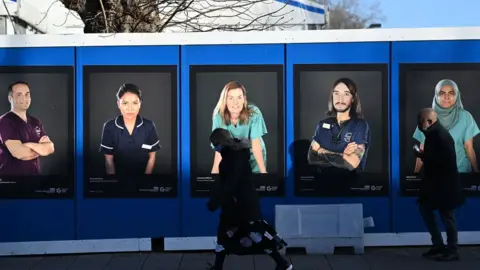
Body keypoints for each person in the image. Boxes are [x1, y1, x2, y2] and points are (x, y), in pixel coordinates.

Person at [206, 128, 292, 270]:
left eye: (215, 144)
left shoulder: (233, 157)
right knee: (227, 235)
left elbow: (231, 182)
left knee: (255, 235)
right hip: (237, 204)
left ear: (220, 142)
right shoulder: (233, 155)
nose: (215, 147)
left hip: (241, 205)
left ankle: (283, 264)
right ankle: (218, 267)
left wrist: (216, 201)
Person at [413, 108, 465, 261]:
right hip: (437, 184)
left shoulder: (439, 135)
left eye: (420, 121)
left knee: (447, 216)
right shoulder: (434, 134)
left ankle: (452, 249)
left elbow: (444, 160)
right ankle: (438, 245)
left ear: (428, 121)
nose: (418, 125)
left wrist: (422, 155)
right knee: (425, 209)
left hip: (445, 185)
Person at [307, 78, 370, 183]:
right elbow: (312, 158)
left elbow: (351, 164)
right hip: (322, 188)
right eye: (336, 93)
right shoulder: (323, 124)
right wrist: (343, 155)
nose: (340, 98)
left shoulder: (360, 125)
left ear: (353, 99)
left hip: (350, 188)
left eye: (346, 94)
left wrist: (321, 151)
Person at [413, 79, 479, 173]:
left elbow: (468, 147)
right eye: (442, 93)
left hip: (461, 173)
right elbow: (423, 149)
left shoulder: (465, 116)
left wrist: (476, 172)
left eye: (451, 93)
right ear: (436, 95)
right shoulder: (427, 117)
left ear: (457, 95)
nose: (446, 97)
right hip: (435, 175)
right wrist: (415, 175)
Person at [99, 83, 160, 176]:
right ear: (118, 104)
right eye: (125, 103)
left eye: (135, 103)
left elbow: (152, 156)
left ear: (140, 104)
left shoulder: (149, 126)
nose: (130, 108)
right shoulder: (109, 127)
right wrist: (114, 183)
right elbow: (108, 160)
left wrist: (146, 181)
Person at [211, 81, 268, 174]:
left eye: (239, 97)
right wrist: (214, 173)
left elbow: (256, 146)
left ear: (244, 99)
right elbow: (220, 148)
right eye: (230, 98)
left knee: (254, 184)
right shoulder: (218, 116)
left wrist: (264, 173)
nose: (235, 102)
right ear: (225, 100)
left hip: (254, 156)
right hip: (231, 158)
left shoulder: (254, 113)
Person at [0, 81, 54, 176]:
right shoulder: (5, 121)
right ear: (10, 98)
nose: (24, 98)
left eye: (27, 94)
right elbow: (20, 153)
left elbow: (50, 148)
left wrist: (28, 145)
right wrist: (40, 150)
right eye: (19, 95)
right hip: (12, 182)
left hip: (34, 180)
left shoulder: (35, 122)